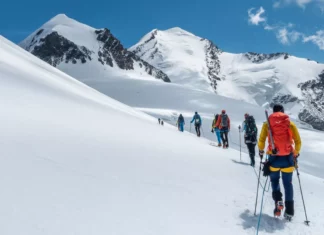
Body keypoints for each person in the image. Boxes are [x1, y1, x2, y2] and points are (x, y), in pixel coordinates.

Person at [258, 104, 301, 219]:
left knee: (275, 181)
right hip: (288, 159)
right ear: (283, 111)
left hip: (273, 159)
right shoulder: (289, 123)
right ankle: (289, 211)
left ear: (273, 112)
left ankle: (278, 202)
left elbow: (262, 139)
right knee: (288, 184)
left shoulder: (267, 124)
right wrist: (295, 153)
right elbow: (298, 141)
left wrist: (261, 151)